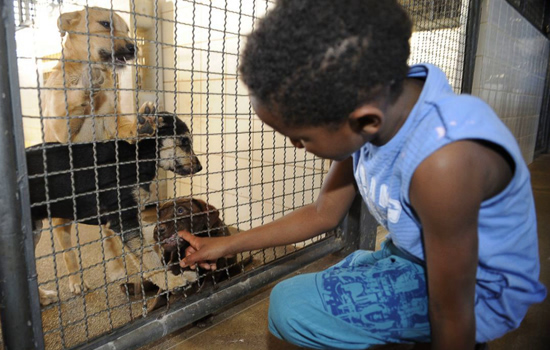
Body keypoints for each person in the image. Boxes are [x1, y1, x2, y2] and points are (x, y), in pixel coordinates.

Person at [177, 0, 547, 349]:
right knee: (337, 277)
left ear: (364, 120)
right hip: (412, 256)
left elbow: (452, 311)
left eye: (302, 137)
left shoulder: (443, 161)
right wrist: (226, 243)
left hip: (479, 293)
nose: (294, 145)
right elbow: (324, 212)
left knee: (291, 306)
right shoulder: (376, 109)